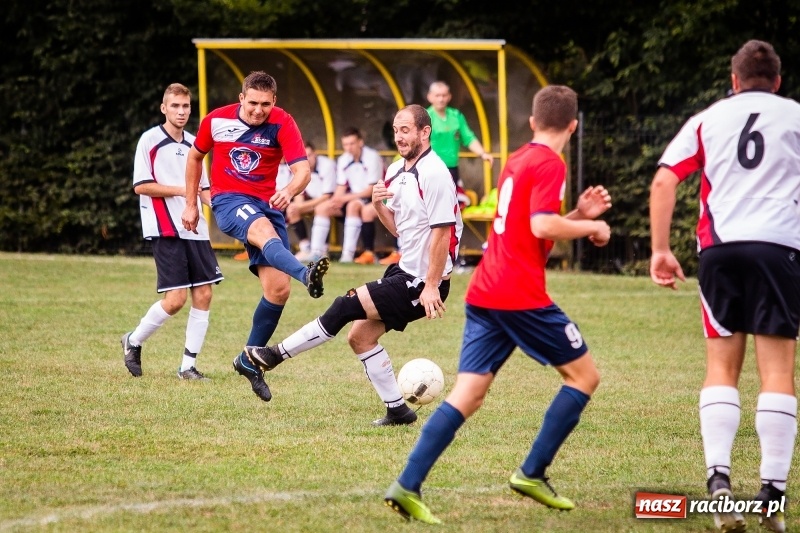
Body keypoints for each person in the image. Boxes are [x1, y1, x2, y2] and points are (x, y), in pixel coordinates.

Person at [384, 85, 612, 524]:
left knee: (468, 393)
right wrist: (593, 227)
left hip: (486, 289)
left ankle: (407, 485)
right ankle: (532, 472)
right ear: (573, 126)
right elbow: (542, 223)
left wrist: (579, 215)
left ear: (530, 123)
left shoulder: (520, 157)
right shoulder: (550, 162)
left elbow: (530, 230)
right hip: (518, 294)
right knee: (584, 377)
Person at [649, 39, 799, 533]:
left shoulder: (708, 119)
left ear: (734, 81)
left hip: (720, 248)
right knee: (777, 371)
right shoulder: (795, 116)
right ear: (777, 81)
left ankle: (718, 487)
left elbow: (664, 181)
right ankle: (771, 495)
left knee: (721, 366)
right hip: (780, 248)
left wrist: (660, 249)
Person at [243, 104, 463, 425]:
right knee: (359, 338)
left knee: (344, 305)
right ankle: (398, 410)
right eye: (396, 130)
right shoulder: (395, 172)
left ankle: (271, 355)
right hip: (405, 270)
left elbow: (443, 233)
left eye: (406, 130)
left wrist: (432, 285)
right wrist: (377, 204)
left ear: (424, 132)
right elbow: (401, 230)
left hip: (423, 280)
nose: (399, 137)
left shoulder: (435, 174)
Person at [181, 71, 330, 402]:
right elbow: (195, 157)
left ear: (273, 101)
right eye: (252, 103)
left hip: (268, 204)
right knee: (263, 232)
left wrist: (289, 191)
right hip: (229, 201)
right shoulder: (215, 121)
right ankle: (307, 274)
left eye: (265, 104)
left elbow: (302, 171)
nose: (258, 110)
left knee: (278, 290)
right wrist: (192, 203)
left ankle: (249, 359)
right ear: (241, 98)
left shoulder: (282, 122)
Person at [121, 83, 224, 380]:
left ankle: (187, 367)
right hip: (166, 227)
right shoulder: (149, 140)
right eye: (175, 106)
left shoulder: (196, 143)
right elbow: (141, 185)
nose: (181, 112)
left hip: (196, 229)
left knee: (204, 294)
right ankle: (134, 340)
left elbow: (204, 190)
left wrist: (228, 205)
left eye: (185, 106)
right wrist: (184, 190)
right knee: (176, 300)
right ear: (164, 108)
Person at [302, 127, 384, 263]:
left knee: (352, 206)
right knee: (322, 208)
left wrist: (344, 198)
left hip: (373, 198)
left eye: (352, 143)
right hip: (353, 197)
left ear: (360, 142)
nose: (349, 148)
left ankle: (347, 255)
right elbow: (341, 186)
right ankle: (317, 252)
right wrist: (335, 200)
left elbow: (371, 190)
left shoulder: (372, 157)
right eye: (345, 144)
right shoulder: (343, 160)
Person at [426, 80, 494, 208]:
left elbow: (468, 138)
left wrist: (483, 154)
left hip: (451, 168)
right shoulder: (425, 117)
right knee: (432, 205)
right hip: (431, 170)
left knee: (450, 205)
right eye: (437, 95)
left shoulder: (456, 116)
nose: (441, 99)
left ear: (449, 97)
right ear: (430, 97)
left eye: (444, 95)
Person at [288, 142, 337, 259]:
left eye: (309, 155)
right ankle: (305, 248)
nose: (307, 159)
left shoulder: (327, 165)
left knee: (321, 208)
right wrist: (299, 206)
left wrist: (302, 206)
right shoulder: (299, 167)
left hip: (331, 201)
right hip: (313, 202)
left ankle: (320, 250)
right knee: (292, 209)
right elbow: (297, 192)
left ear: (315, 154)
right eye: (304, 157)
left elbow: (327, 195)